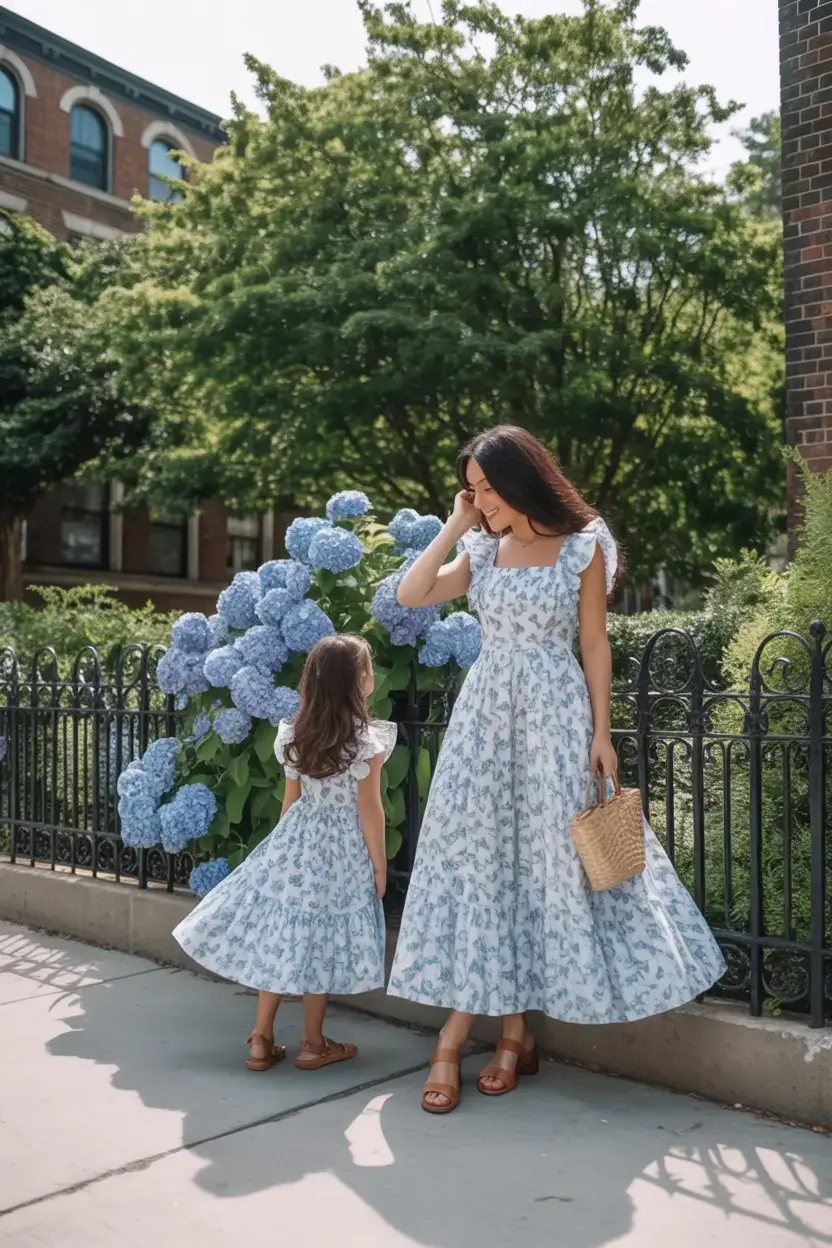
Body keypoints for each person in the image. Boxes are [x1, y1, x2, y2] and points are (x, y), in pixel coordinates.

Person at [387, 426, 726, 1114]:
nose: (482, 501)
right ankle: (500, 1034)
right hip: (485, 719)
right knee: (486, 862)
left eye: (488, 488)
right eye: (472, 490)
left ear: (522, 480)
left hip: (555, 716)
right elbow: (411, 595)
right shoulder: (483, 548)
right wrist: (455, 524)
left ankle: (496, 1038)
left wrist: (602, 733)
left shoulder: (582, 544)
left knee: (547, 861)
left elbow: (594, 642)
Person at [173, 634, 395, 1072]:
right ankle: (313, 1043)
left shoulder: (295, 734)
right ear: (358, 680)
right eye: (367, 668)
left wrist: (280, 849)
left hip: (296, 841)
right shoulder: (365, 743)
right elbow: (370, 811)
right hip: (340, 850)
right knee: (320, 939)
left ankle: (261, 1038)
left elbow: (290, 801)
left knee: (278, 936)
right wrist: (379, 865)